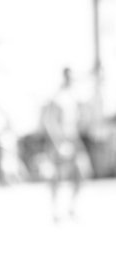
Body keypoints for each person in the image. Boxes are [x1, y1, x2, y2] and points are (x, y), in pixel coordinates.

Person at [40, 67, 93, 222]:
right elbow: (49, 121)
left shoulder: (74, 96)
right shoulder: (58, 97)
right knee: (56, 175)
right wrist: (58, 142)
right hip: (60, 140)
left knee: (83, 172)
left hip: (74, 139)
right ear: (64, 77)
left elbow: (80, 119)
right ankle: (55, 210)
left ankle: (71, 208)